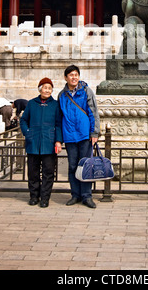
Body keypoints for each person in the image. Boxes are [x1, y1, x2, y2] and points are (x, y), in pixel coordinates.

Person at [58, 65, 100, 209]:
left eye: (76, 74)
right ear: (66, 78)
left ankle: (87, 196)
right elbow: (59, 116)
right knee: (72, 166)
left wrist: (94, 132)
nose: (74, 77)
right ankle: (75, 194)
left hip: (84, 135)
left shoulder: (86, 91)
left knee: (86, 166)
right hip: (69, 136)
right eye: (71, 75)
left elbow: (93, 112)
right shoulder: (62, 95)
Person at [20, 78, 62, 208]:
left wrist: (58, 141)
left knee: (48, 172)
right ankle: (34, 196)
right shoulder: (32, 104)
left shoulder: (55, 105)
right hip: (33, 143)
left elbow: (58, 124)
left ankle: (45, 198)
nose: (47, 90)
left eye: (50, 88)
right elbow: (23, 120)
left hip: (49, 143)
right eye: (45, 88)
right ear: (40, 89)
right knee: (33, 171)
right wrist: (27, 132)